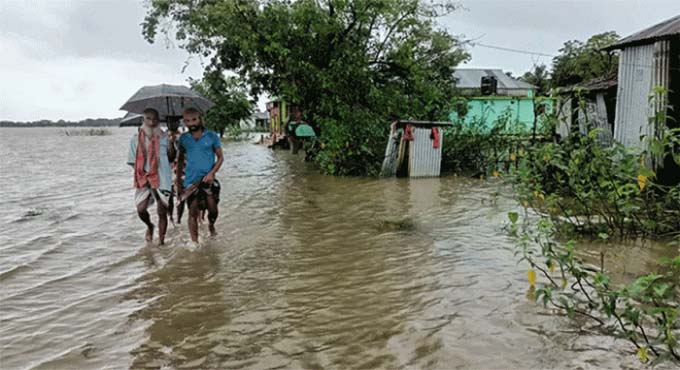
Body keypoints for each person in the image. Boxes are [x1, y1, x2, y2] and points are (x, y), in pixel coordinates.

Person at [126, 108, 176, 245]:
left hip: (163, 178)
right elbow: (132, 161)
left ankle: (161, 242)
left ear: (159, 120)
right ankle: (149, 226)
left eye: (155, 119)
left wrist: (172, 143)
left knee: (162, 211)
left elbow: (172, 158)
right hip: (143, 178)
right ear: (143, 120)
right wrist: (145, 176)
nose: (152, 122)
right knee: (141, 209)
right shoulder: (135, 139)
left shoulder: (165, 136)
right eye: (148, 118)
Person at [176, 107, 224, 244]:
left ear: (200, 119)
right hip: (191, 181)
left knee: (213, 209)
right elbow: (179, 161)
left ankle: (211, 225)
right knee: (192, 212)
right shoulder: (183, 139)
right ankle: (195, 243)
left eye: (194, 119)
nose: (191, 123)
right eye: (187, 121)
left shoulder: (211, 136)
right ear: (184, 122)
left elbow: (220, 157)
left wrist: (212, 173)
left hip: (208, 179)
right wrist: (178, 182)